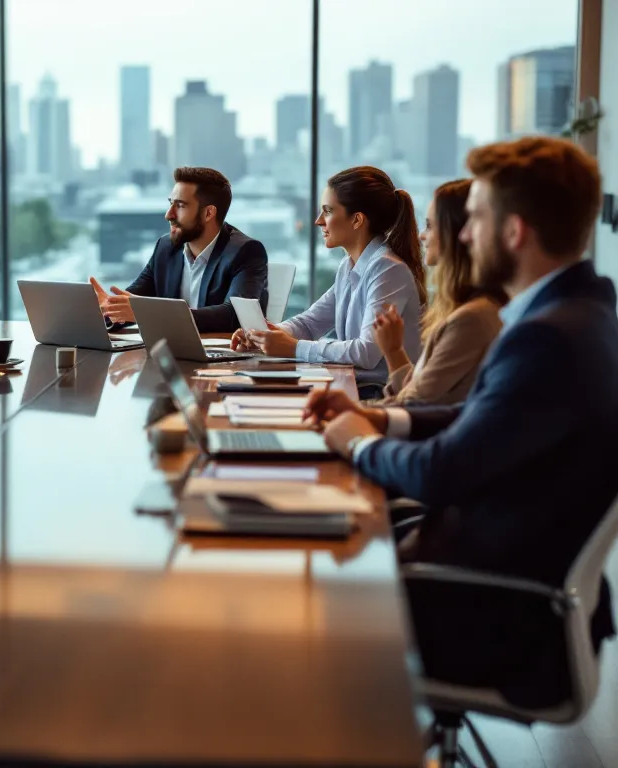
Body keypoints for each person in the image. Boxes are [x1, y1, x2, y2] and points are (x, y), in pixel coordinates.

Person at [303, 136, 617, 707]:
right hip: (492, 579)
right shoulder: (581, 315)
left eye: (473, 220)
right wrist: (377, 420)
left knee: (286, 602)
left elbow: (440, 474)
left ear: (514, 231)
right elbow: (476, 417)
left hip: (491, 613)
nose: (463, 236)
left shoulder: (546, 338)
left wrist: (359, 445)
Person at [233, 166, 427, 394]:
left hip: (379, 393)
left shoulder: (388, 269)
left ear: (357, 220)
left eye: (327, 211)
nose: (318, 221)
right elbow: (309, 323)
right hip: (355, 386)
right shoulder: (349, 266)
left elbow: (366, 352)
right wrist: (267, 334)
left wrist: (294, 348)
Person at [369, 179, 506, 405]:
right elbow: (421, 391)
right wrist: (393, 350)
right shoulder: (462, 309)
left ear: (457, 233)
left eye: (430, 226)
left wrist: (355, 411)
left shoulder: (471, 319)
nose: (422, 235)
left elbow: (415, 405)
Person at [89, 166, 268, 334]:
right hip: (172, 354)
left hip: (224, 362)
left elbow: (233, 315)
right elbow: (132, 303)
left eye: (180, 205)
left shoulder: (246, 251)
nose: (169, 214)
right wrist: (108, 308)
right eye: (170, 203)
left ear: (208, 213)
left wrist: (146, 313)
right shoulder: (166, 248)